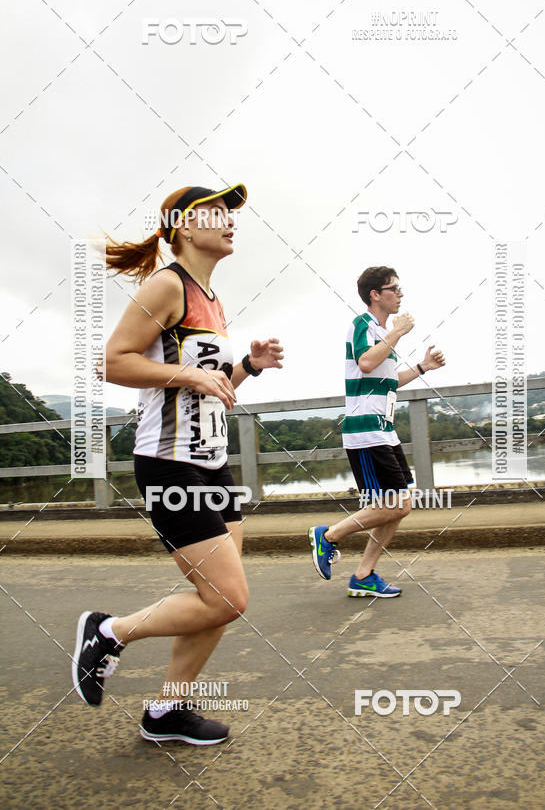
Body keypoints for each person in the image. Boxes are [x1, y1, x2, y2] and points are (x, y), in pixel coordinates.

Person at [72, 183, 283, 745]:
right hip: (170, 464)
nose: (231, 222)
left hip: (211, 463)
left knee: (216, 602)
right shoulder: (165, 285)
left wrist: (247, 368)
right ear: (185, 227)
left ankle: (168, 711)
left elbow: (210, 390)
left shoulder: (210, 300)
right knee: (229, 598)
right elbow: (113, 362)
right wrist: (190, 373)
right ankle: (108, 632)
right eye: (218, 212)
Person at [308, 266, 445, 597]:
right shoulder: (363, 325)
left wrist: (423, 366)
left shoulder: (381, 333)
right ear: (376, 295)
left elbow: (388, 379)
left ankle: (364, 575)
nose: (400, 294)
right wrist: (397, 332)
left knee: (399, 504)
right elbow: (366, 362)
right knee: (398, 505)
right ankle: (327, 536)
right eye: (394, 289)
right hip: (366, 433)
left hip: (385, 431)